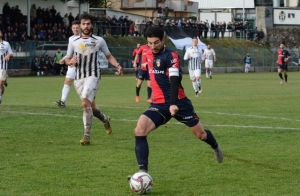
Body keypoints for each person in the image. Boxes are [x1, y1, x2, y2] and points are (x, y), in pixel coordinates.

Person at [129, 26, 223, 178]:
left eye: (156, 43)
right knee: (140, 130)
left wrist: (173, 103)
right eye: (150, 43)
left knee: (201, 135)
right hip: (159, 104)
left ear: (163, 40)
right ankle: (143, 173)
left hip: (178, 102)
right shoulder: (147, 52)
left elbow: (174, 80)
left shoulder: (171, 55)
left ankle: (215, 147)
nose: (153, 46)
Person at [65, 13, 122, 145]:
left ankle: (86, 136)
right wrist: (70, 61)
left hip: (93, 75)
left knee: (85, 103)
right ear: (80, 25)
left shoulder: (99, 40)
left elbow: (108, 56)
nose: (86, 26)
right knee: (92, 108)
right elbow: (67, 58)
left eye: (88, 24)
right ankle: (105, 120)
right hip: (79, 78)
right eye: (83, 24)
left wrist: (117, 65)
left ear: (92, 25)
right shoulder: (73, 41)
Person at [54, 21, 80, 107]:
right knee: (67, 81)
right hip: (72, 64)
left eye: (77, 27)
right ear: (72, 29)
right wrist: (64, 58)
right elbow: (70, 53)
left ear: (80, 28)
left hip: (82, 65)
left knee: (82, 84)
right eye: (74, 28)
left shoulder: (84, 38)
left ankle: (88, 102)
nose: (75, 29)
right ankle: (62, 101)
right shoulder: (71, 39)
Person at [0, 30, 13, 104]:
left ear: (1, 34)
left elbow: (12, 54)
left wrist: (8, 55)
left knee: (0, 83)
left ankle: (0, 97)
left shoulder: (6, 44)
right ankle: (4, 80)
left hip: (3, 65)